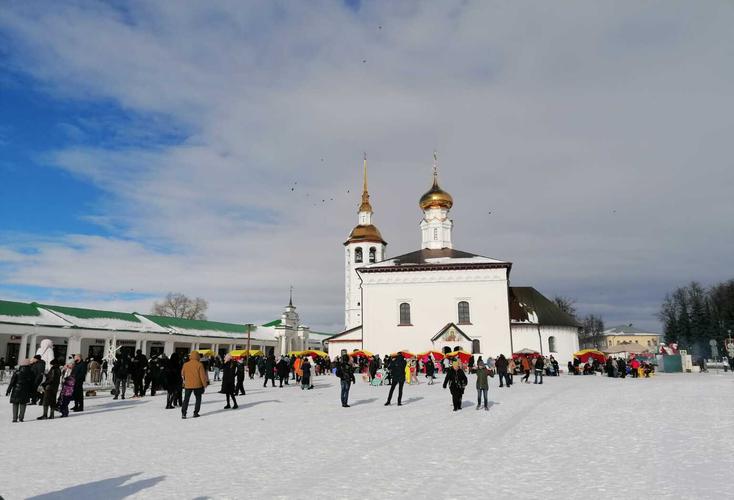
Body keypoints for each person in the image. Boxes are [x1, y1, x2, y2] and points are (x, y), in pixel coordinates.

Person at [181, 351, 209, 419]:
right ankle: (196, 413)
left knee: (186, 399)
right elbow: (202, 376)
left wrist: (185, 380)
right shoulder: (199, 364)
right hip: (198, 385)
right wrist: (205, 384)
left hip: (188, 384)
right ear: (197, 356)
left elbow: (182, 374)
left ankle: (184, 414)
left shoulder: (185, 364)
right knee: (198, 399)